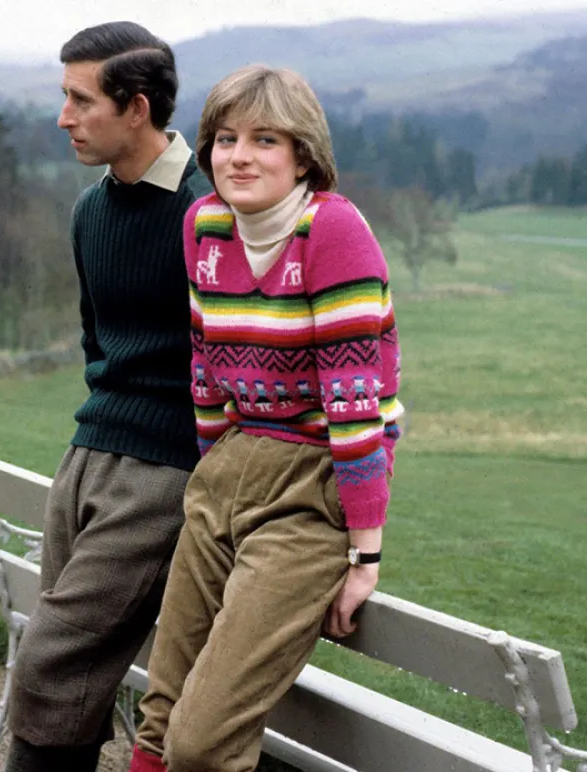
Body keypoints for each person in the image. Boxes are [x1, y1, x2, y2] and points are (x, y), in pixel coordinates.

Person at [128, 65, 404, 772]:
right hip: (227, 473)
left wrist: (364, 552)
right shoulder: (205, 227)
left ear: (303, 155)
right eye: (224, 138)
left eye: (264, 139)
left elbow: (355, 408)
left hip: (309, 491)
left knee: (199, 744)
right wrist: (214, 472)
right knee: (158, 721)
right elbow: (205, 365)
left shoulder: (331, 232)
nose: (238, 155)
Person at [4, 21, 213, 772]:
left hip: (166, 472)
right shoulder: (90, 211)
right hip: (87, 454)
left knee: (50, 661)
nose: (64, 117)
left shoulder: (208, 215)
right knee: (73, 682)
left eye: (79, 100)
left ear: (137, 107)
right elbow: (101, 347)